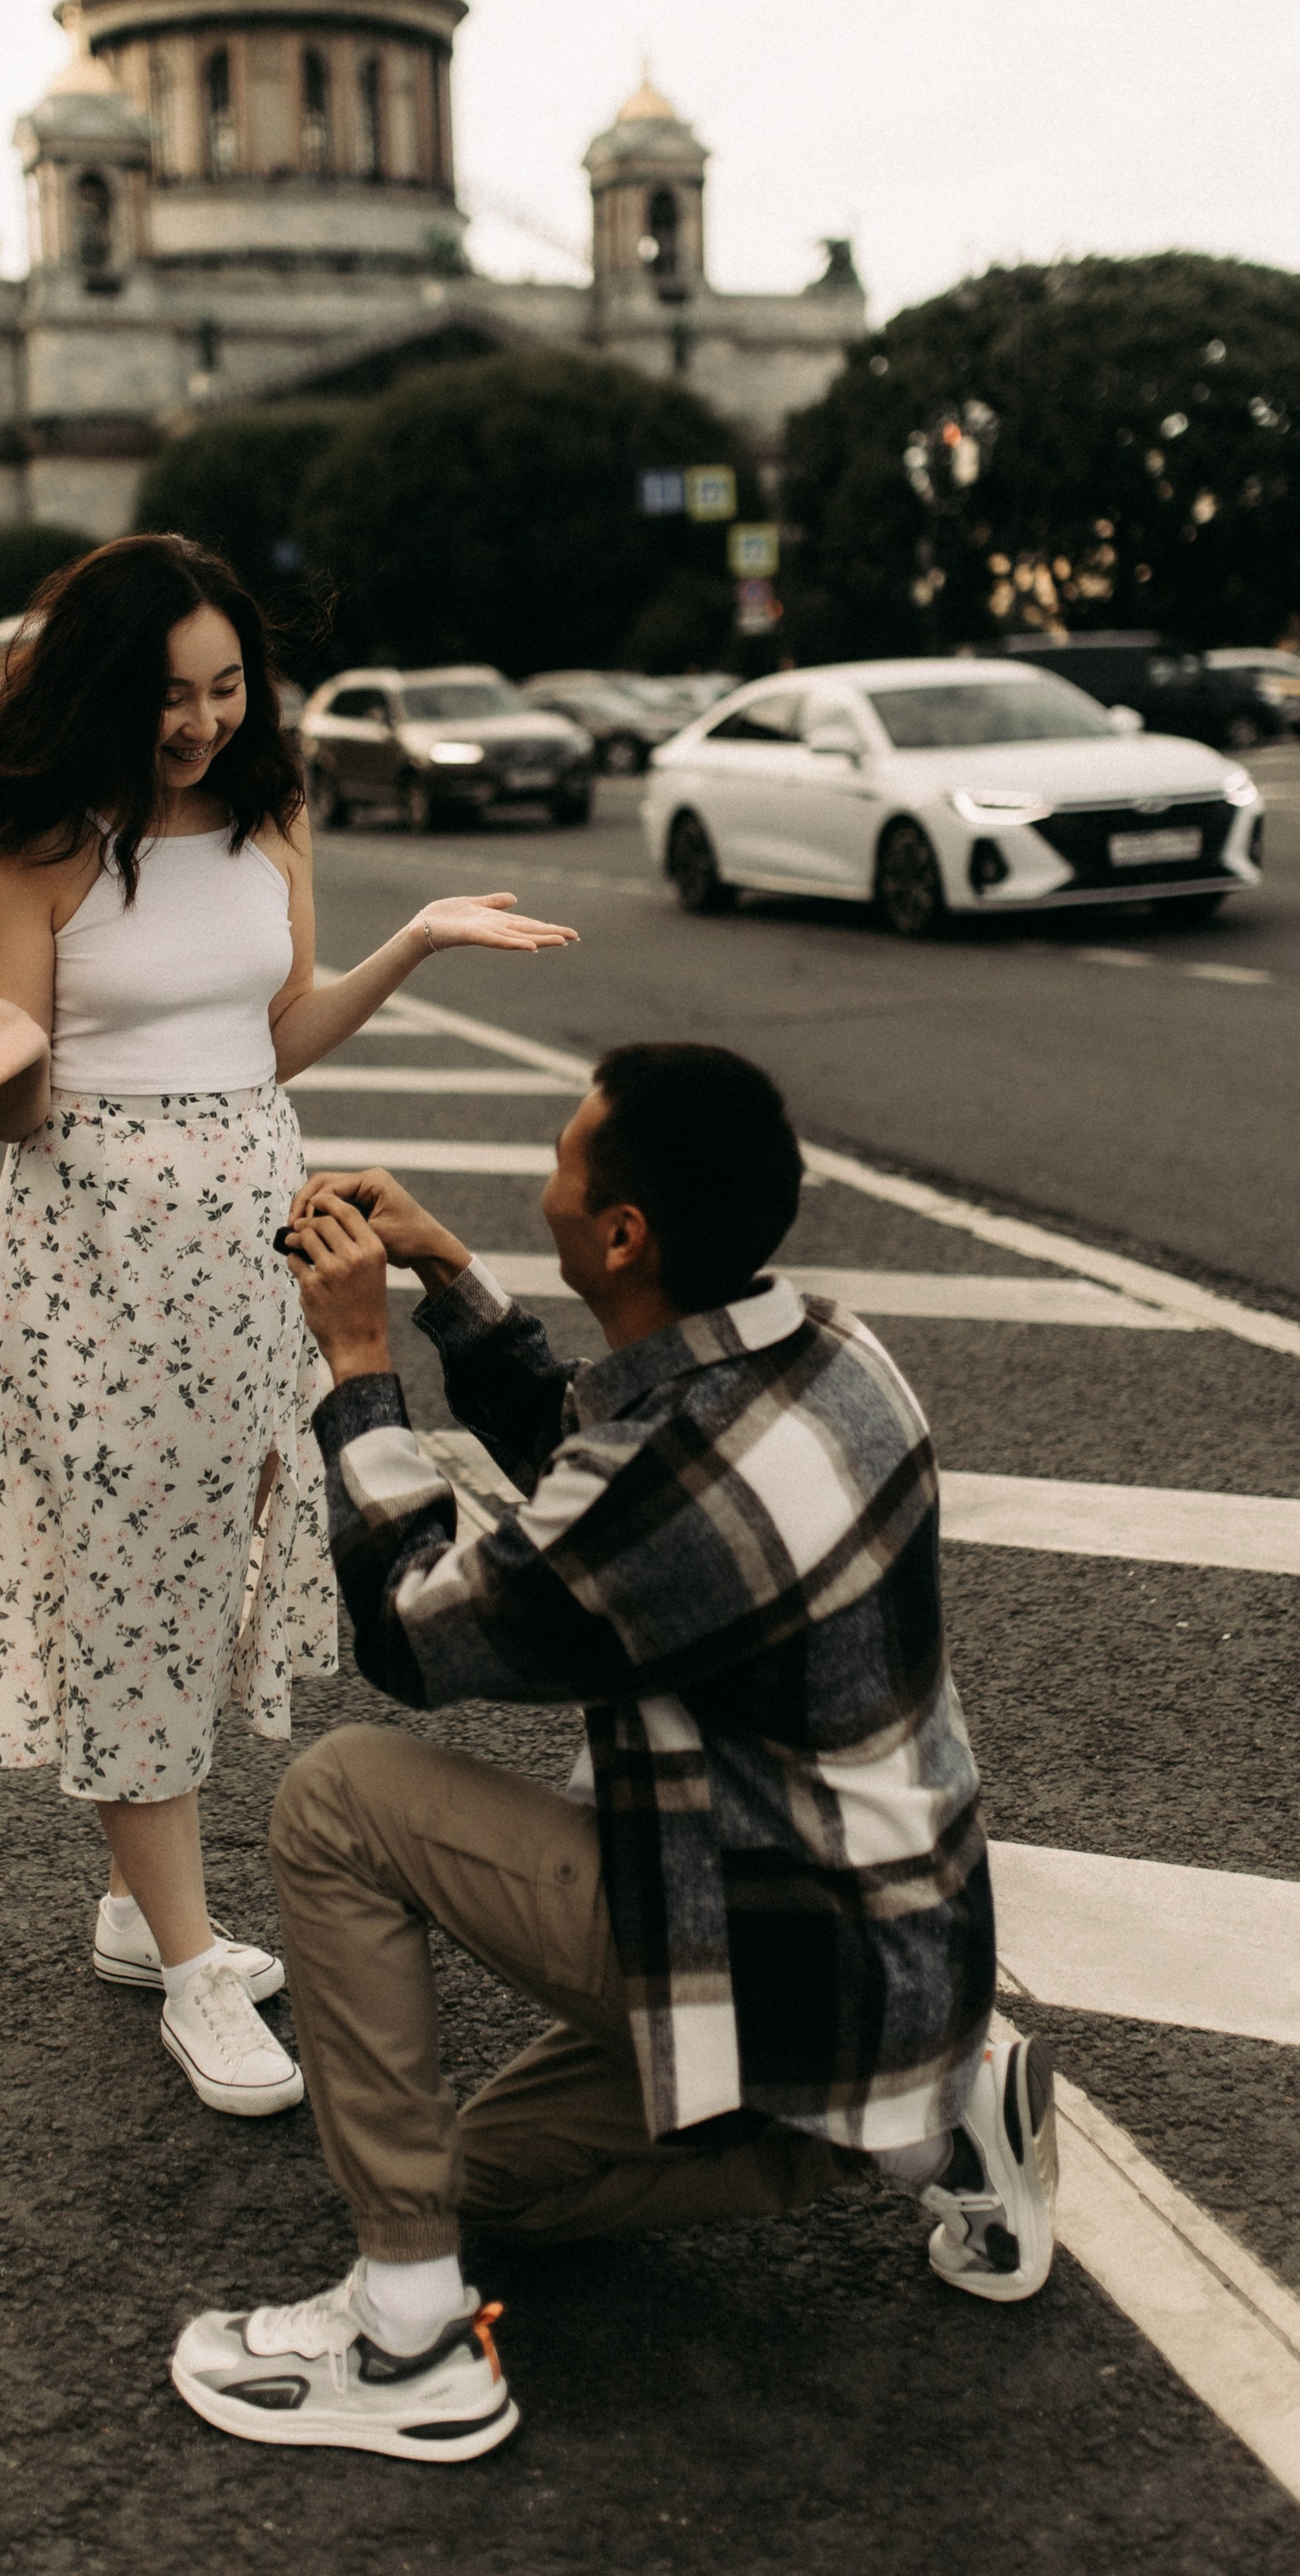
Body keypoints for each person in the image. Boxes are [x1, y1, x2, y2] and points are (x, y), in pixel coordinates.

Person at [169, 1042, 1056, 2463]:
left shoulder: (675, 1481)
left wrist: (357, 1371)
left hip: (777, 1945)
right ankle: (931, 2128)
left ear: (624, 1233)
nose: (548, 1188)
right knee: (477, 2184)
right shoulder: (828, 1350)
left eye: (565, 1171)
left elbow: (419, 1631)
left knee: (340, 1798)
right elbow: (603, 1463)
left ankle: (408, 2344)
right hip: (897, 1949)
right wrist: (450, 1274)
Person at [0, 534, 577, 2123]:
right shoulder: (35, 845)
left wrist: (407, 942)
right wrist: (12, 1043)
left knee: (218, 1560)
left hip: (249, 1241)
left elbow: (271, 1037)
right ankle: (195, 1955)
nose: (201, 721)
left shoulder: (270, 810)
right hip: (99, 1254)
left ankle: (148, 1911)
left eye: (223, 688)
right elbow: (14, 1115)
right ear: (96, 689)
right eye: (168, 696)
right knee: (133, 1577)